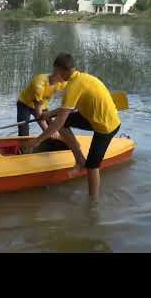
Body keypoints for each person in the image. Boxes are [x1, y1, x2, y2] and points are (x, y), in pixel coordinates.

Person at [22, 53, 121, 201]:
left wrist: (37, 141)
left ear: (61, 70)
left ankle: (93, 202)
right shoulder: (82, 78)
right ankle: (80, 159)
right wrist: (49, 114)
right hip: (93, 117)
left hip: (106, 126)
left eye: (55, 71)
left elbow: (59, 122)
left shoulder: (73, 87)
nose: (54, 74)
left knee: (93, 166)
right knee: (65, 122)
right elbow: (68, 111)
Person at [17, 72, 67, 138]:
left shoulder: (62, 82)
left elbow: (69, 96)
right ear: (57, 74)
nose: (66, 79)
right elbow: (38, 114)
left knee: (54, 129)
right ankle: (22, 146)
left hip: (42, 106)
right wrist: (47, 131)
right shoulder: (39, 84)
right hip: (25, 105)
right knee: (24, 132)